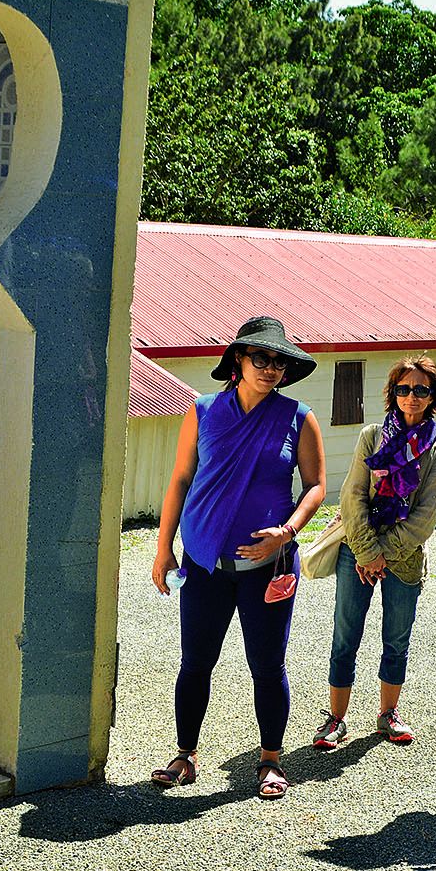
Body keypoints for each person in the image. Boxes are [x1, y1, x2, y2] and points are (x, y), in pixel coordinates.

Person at [150, 318, 327, 801]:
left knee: (267, 666)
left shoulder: (297, 416)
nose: (271, 368)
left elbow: (315, 486)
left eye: (278, 361)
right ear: (237, 361)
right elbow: (181, 480)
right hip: (204, 563)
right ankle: (185, 754)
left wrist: (287, 532)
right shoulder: (202, 411)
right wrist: (164, 548)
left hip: (268, 566)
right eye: (260, 358)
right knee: (195, 663)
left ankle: (270, 760)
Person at [315, 357, 436, 750]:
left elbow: (426, 517)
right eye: (404, 389)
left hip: (404, 558)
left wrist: (382, 555)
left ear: (433, 397)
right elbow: (352, 495)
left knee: (396, 640)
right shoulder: (372, 436)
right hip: (355, 550)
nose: (412, 396)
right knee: (345, 637)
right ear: (393, 394)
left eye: (421, 390)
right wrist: (366, 551)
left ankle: (387, 714)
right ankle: (336, 718)